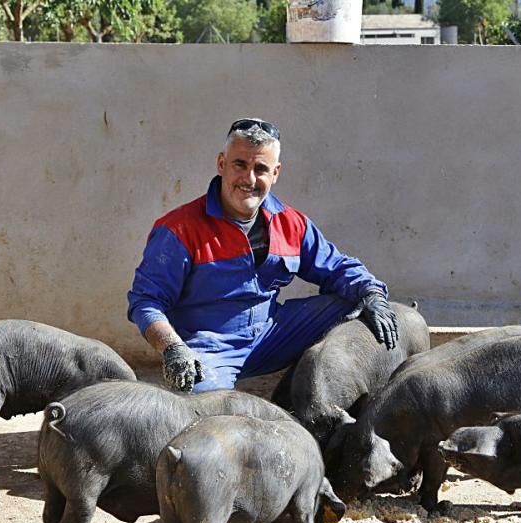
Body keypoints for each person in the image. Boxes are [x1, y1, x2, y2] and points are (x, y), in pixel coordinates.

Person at [127, 117, 398, 393]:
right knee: (202, 407)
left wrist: (372, 294)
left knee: (359, 307)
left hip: (273, 335)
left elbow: (337, 267)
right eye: (240, 165)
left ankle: (321, 397)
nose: (250, 179)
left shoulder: (291, 223)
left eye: (261, 169)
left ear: (275, 173)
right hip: (211, 350)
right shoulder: (178, 229)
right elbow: (145, 302)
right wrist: (173, 348)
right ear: (222, 164)